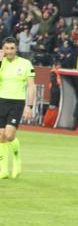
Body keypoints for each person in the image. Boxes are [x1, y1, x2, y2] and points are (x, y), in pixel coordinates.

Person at [0, 37, 36, 179]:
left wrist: (29, 106)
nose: (9, 51)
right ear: (3, 49)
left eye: (12, 48)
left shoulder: (26, 63)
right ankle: (3, 170)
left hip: (17, 102)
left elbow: (31, 86)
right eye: (7, 48)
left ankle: (16, 158)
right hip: (1, 101)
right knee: (1, 136)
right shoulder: (1, 62)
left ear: (16, 49)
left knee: (9, 135)